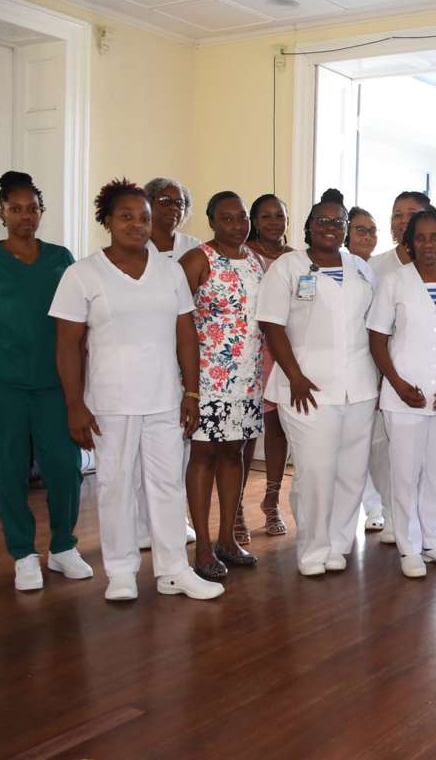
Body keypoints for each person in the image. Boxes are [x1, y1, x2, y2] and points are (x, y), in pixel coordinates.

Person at [51, 178, 223, 601]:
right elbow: (68, 345)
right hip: (111, 402)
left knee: (167, 485)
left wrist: (192, 393)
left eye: (143, 218)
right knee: (116, 485)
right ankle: (122, 572)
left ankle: (173, 570)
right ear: (107, 221)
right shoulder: (82, 274)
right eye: (125, 216)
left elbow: (186, 335)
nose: (136, 224)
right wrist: (74, 404)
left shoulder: (170, 270)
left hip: (164, 398)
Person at [0, 171, 89, 592]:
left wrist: (80, 391)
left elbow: (76, 327)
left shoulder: (60, 258)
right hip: (2, 385)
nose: (25, 216)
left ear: (41, 212)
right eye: (16, 209)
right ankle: (24, 555)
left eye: (32, 208)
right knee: (8, 471)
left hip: (54, 385)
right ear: (2, 213)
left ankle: (63, 547)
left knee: (65, 468)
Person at [256, 193, 377, 576]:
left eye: (338, 221)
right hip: (305, 386)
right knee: (315, 472)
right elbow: (271, 324)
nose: (330, 227)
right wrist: (294, 375)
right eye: (322, 221)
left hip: (359, 386)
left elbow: (373, 325)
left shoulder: (361, 268)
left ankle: (339, 544)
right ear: (309, 226)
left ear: (346, 229)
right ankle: (312, 551)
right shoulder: (287, 267)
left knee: (352, 471)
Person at [368, 208, 436, 578]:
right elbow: (377, 339)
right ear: (410, 243)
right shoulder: (394, 281)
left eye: (435, 237)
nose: (428, 244)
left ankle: (432, 540)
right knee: (403, 474)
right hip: (404, 396)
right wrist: (397, 384)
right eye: (420, 237)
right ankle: (408, 547)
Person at [179, 192, 265, 582]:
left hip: (247, 380)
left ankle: (227, 540)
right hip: (207, 381)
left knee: (235, 454)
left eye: (242, 217)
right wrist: (188, 387)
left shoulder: (255, 261)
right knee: (204, 457)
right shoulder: (197, 260)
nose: (237, 225)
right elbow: (176, 321)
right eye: (227, 218)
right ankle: (202, 547)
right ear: (212, 222)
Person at [135, 176, 200, 548]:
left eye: (180, 203)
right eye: (165, 201)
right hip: (144, 357)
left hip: (186, 355)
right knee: (137, 451)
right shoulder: (131, 246)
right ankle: (140, 523)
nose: (174, 208)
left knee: (178, 445)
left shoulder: (194, 248)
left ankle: (175, 519)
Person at [365, 191, 431, 540]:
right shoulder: (375, 267)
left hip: (427, 375)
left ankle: (419, 520)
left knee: (421, 454)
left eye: (412, 213)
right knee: (381, 450)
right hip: (381, 372)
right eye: (397, 215)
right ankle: (391, 513)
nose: (403, 221)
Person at [244, 193, 293, 537]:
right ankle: (234, 508)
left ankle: (272, 501)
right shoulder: (243, 255)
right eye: (266, 216)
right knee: (245, 433)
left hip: (283, 349)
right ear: (254, 221)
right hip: (247, 351)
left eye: (280, 215)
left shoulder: (297, 259)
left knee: (278, 429)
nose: (274, 222)